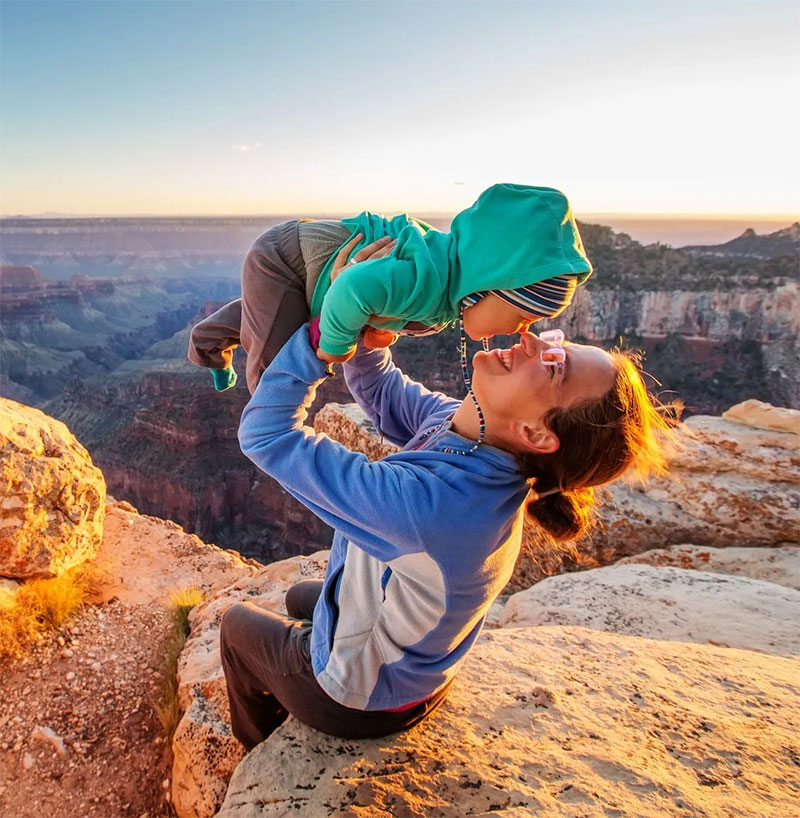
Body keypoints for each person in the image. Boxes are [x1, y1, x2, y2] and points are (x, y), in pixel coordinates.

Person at [218, 238, 678, 749]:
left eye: (552, 367)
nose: (529, 340)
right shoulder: (477, 433)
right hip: (417, 667)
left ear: (537, 434)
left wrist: (323, 336)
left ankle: (254, 747)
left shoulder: (439, 510)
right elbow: (380, 387)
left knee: (238, 627)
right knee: (299, 596)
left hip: (361, 700)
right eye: (555, 342)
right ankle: (326, 648)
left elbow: (266, 435)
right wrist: (364, 312)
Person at [188, 183, 593, 399]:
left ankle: (204, 344)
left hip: (304, 266)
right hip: (284, 259)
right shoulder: (427, 281)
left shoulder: (451, 283)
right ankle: (259, 407)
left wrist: (381, 329)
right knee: (274, 369)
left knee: (263, 316)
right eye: (523, 315)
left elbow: (378, 304)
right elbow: (352, 289)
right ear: (490, 286)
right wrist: (336, 347)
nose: (522, 330)